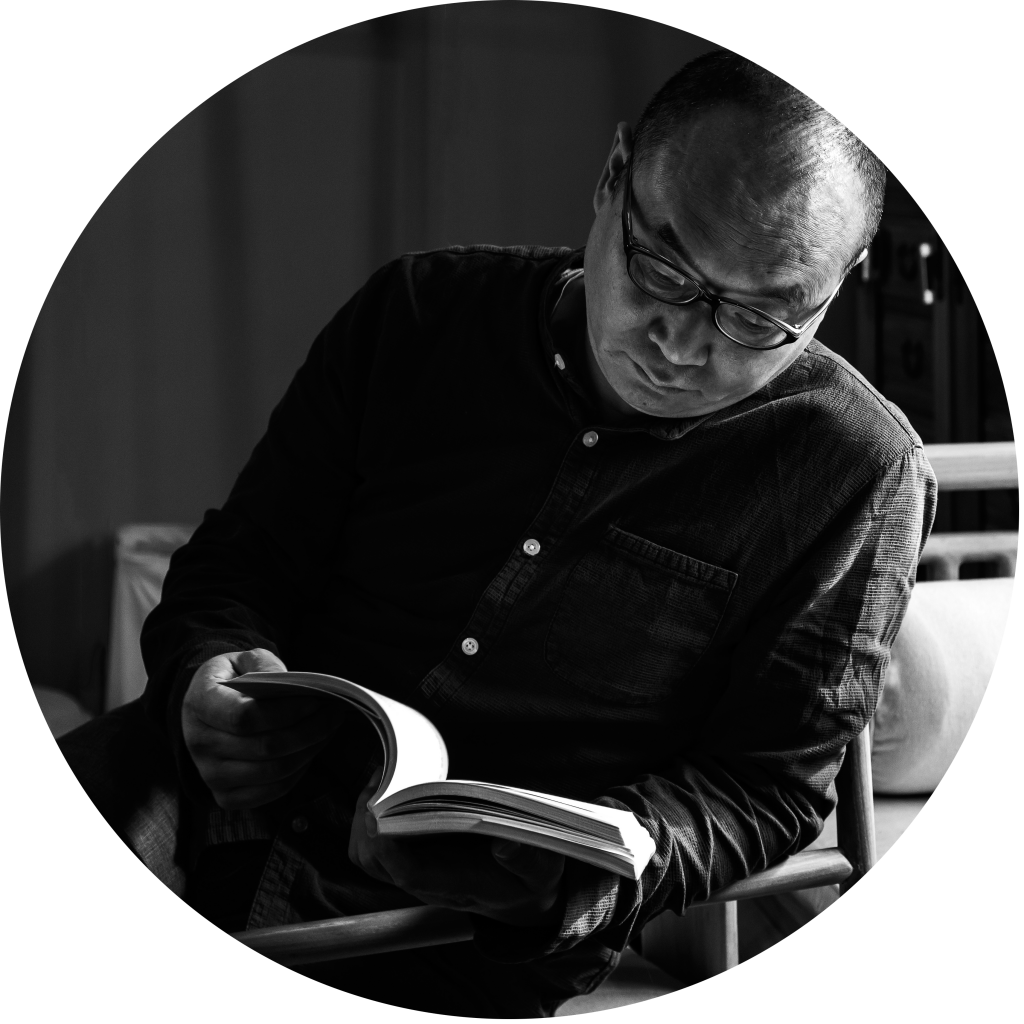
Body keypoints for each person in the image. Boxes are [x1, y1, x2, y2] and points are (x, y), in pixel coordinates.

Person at [58, 49, 935, 1017]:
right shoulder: (416, 314)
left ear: (839, 283)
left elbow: (766, 788)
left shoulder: (856, 471)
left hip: (461, 926)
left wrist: (592, 871)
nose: (682, 344)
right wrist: (206, 669)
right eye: (663, 270)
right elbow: (239, 563)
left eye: (762, 316)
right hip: (198, 798)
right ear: (612, 177)